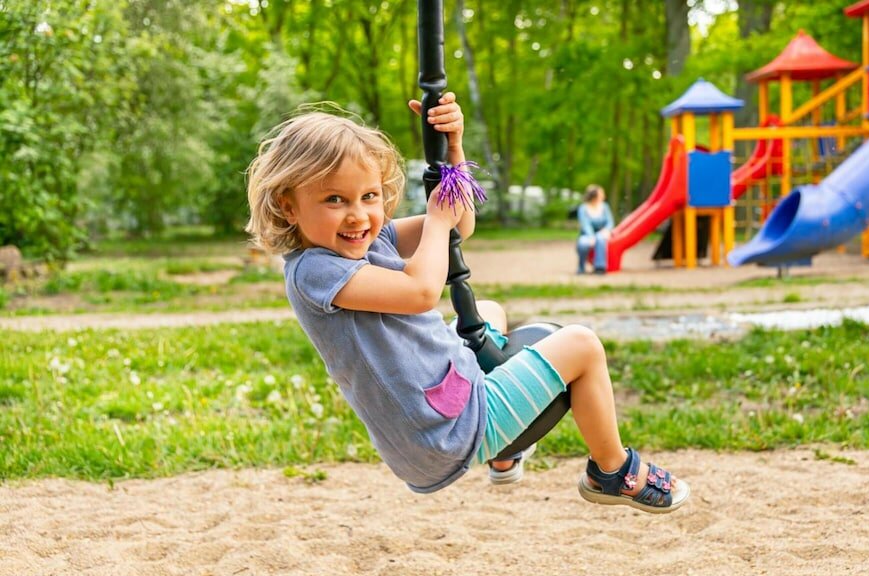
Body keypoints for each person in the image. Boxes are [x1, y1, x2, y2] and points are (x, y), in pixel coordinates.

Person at [245, 93, 689, 513]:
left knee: (490, 310)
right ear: (288, 206)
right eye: (334, 200)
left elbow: (461, 225)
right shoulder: (313, 270)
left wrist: (453, 151)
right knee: (582, 345)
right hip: (442, 434)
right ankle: (612, 472)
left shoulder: (369, 239)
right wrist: (436, 221)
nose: (358, 214)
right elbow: (422, 292)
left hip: (444, 413)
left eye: (369, 196)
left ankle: (504, 456)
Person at [576, 184, 615, 274]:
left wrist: (606, 230)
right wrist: (591, 236)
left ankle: (600, 267)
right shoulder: (583, 208)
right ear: (594, 196)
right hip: (587, 233)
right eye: (601, 194)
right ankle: (581, 267)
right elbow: (585, 224)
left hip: (602, 232)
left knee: (600, 239)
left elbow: (610, 222)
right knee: (583, 243)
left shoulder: (604, 207)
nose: (603, 196)